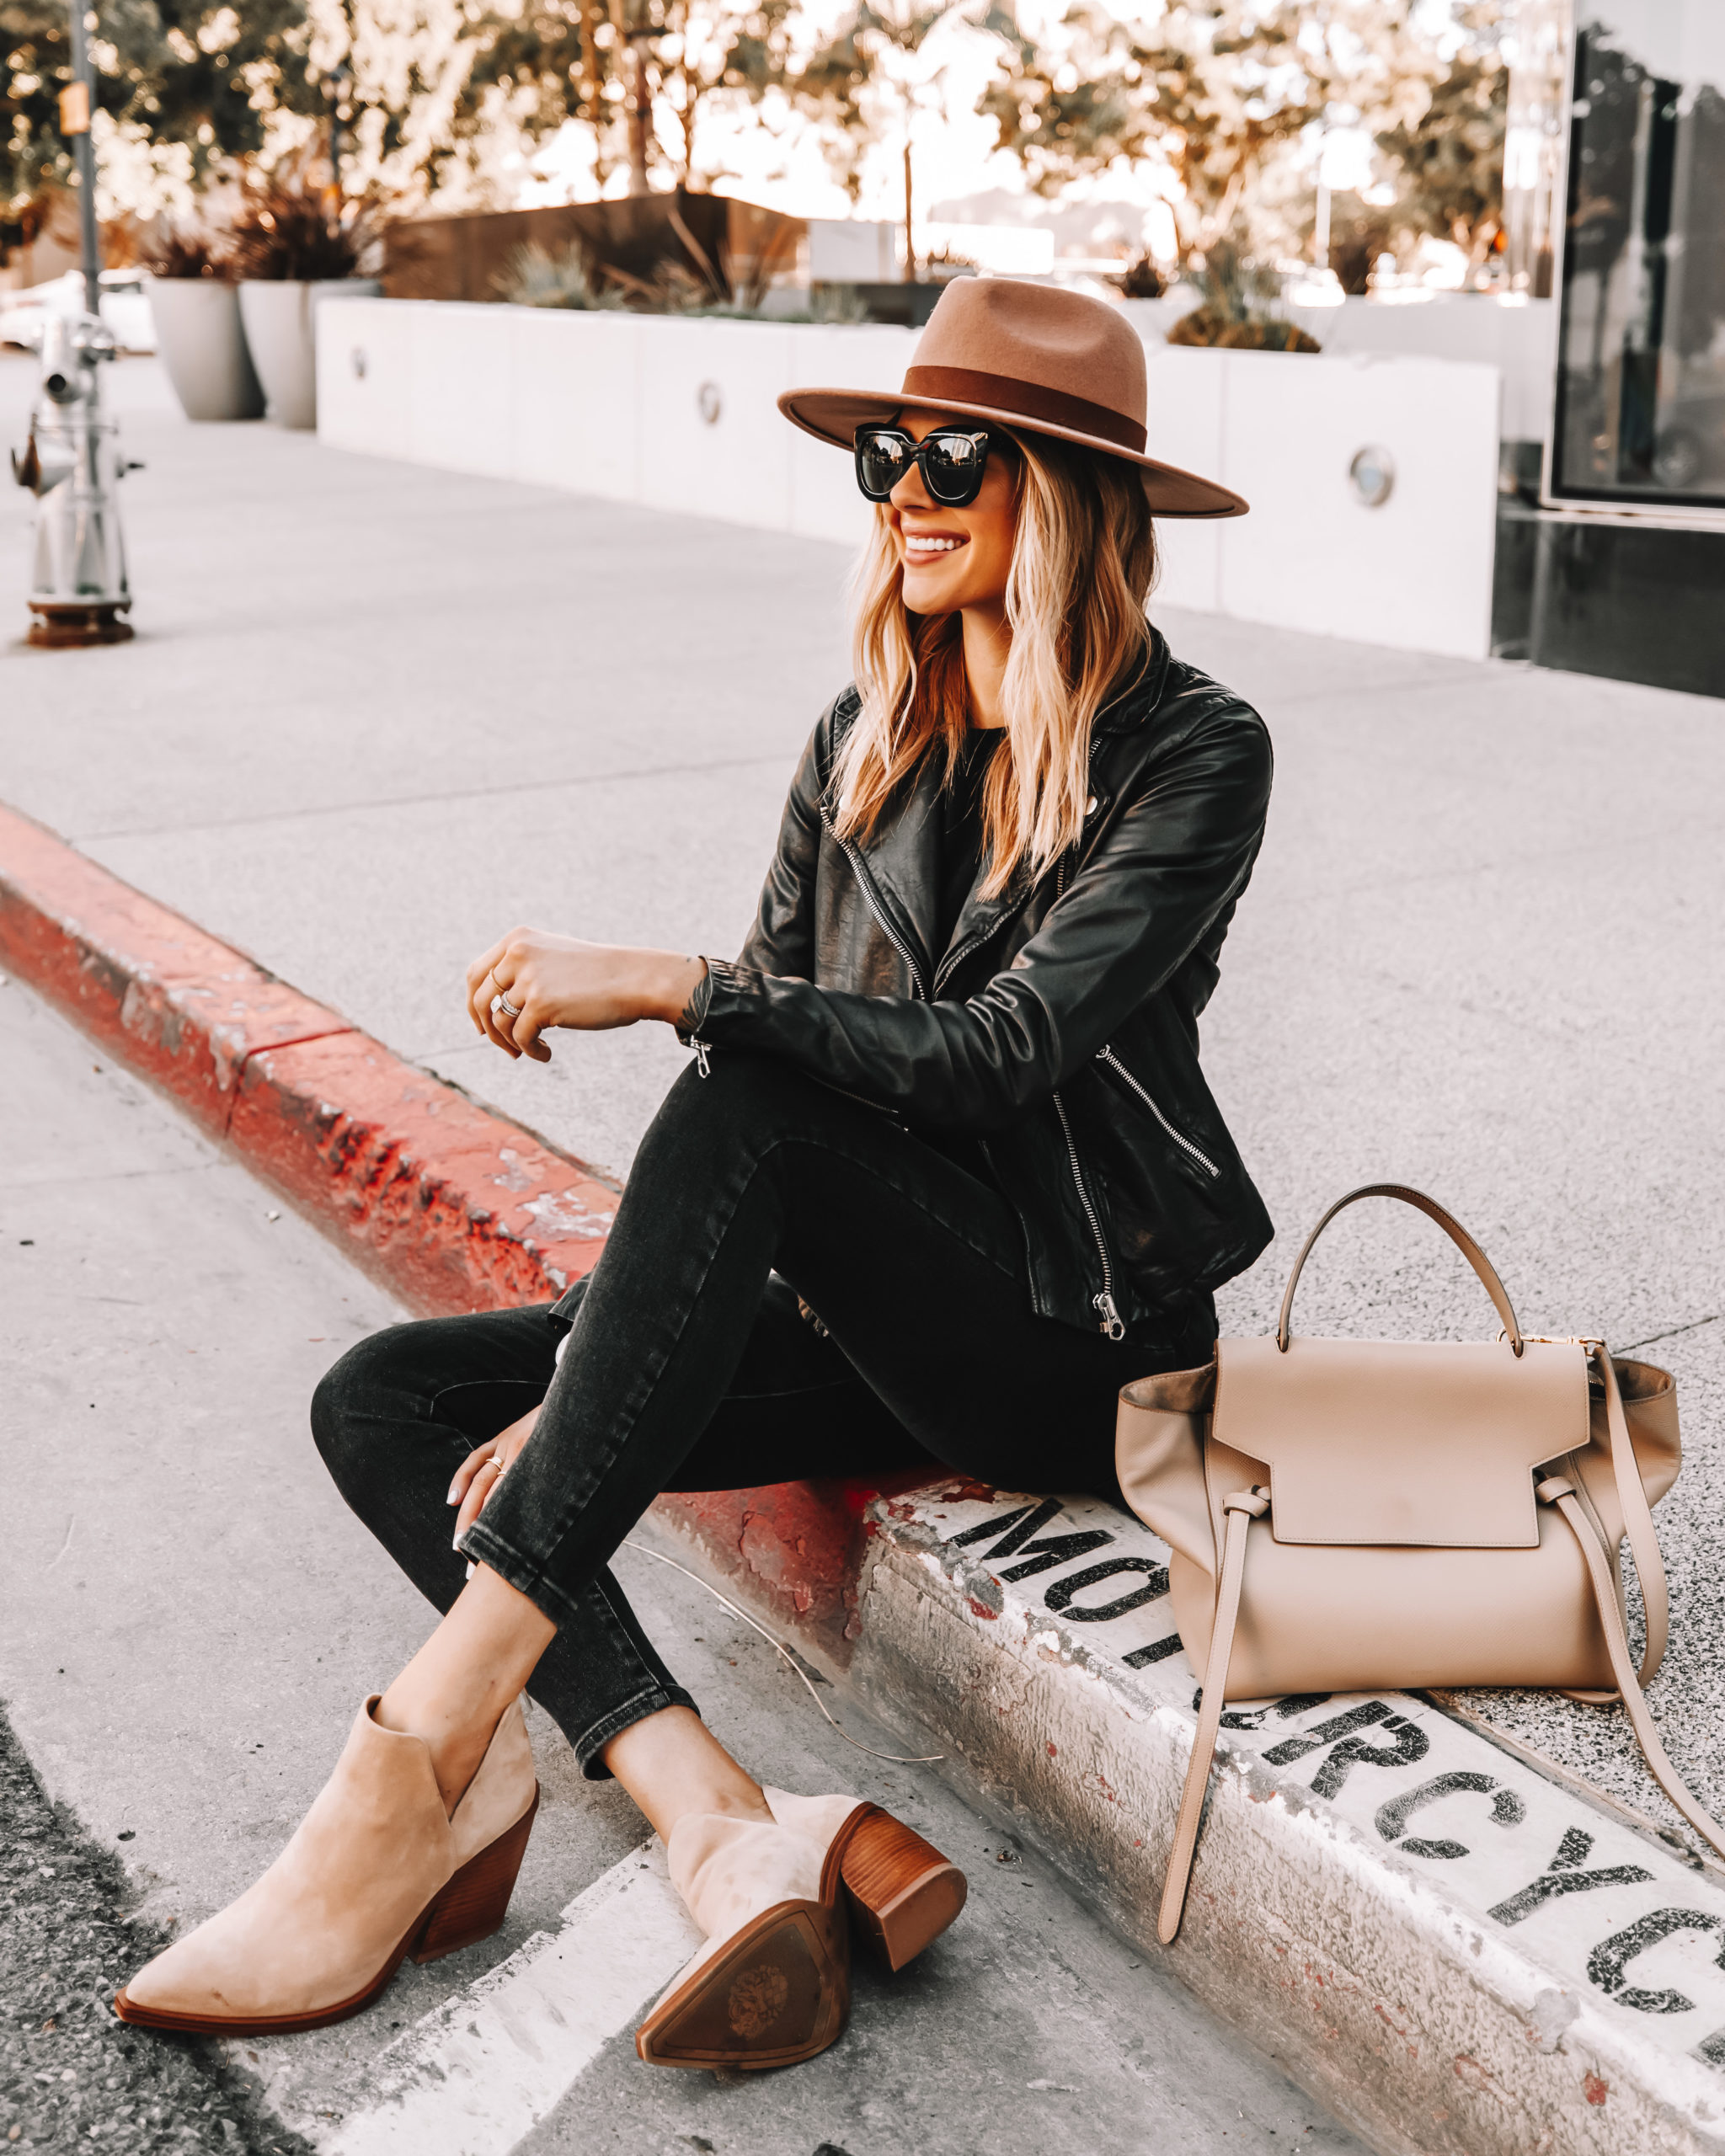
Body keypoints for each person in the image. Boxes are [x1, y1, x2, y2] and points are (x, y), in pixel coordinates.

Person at [116, 278, 1274, 2071]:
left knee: (742, 1105)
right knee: (390, 1397)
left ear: (1067, 498)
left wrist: (668, 979)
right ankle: (730, 1820)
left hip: (1067, 1340)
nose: (904, 487)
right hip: (861, 1302)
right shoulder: (860, 731)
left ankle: (420, 1763)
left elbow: (990, 1054)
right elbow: (778, 1082)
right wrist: (593, 1364)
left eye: (953, 454)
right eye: (887, 451)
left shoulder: (1192, 752)